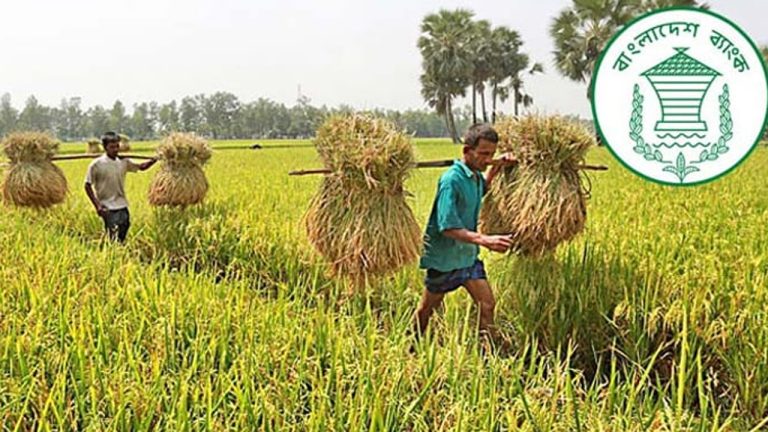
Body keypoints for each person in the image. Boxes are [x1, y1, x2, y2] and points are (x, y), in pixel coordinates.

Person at [413, 123, 517, 347]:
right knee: (427, 310)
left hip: (467, 258)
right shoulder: (451, 180)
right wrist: (485, 240)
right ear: (467, 151)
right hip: (445, 260)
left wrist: (497, 167)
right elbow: (447, 226)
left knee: (487, 304)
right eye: (483, 154)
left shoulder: (476, 176)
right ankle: (411, 344)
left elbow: (482, 190)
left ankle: (487, 352)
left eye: (492, 154)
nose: (488, 159)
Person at [84, 131, 157, 243]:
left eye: (117, 146)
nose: (115, 149)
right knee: (113, 235)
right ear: (105, 147)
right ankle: (111, 255)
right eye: (112, 147)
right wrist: (97, 205)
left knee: (124, 228)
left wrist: (153, 161)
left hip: (122, 204)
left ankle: (116, 251)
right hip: (107, 207)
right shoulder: (96, 164)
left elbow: (141, 167)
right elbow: (87, 185)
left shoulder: (123, 162)